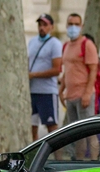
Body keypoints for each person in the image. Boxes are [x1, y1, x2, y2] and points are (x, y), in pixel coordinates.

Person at [59, 13, 99, 159]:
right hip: (70, 96)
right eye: (70, 24)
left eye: (76, 24)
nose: (73, 27)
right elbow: (67, 70)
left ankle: (95, 162)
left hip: (84, 96)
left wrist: (87, 93)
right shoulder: (66, 46)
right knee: (77, 134)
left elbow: (94, 70)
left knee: (90, 132)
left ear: (81, 26)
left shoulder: (87, 45)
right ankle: (79, 162)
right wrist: (61, 89)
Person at [28, 13, 62, 141]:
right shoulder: (32, 42)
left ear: (51, 27)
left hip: (47, 92)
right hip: (32, 91)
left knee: (52, 128)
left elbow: (56, 69)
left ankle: (57, 158)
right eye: (40, 25)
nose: (42, 28)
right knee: (31, 127)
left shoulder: (55, 44)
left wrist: (34, 75)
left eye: (45, 25)